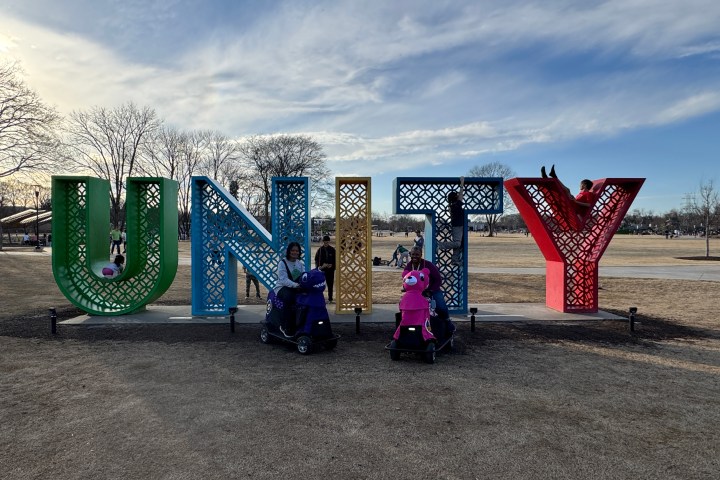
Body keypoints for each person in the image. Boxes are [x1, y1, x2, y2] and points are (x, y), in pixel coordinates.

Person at [402, 246, 452, 327]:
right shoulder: (408, 266)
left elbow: (438, 280)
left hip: (432, 290)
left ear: (421, 255)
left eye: (417, 255)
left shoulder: (428, 265)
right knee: (407, 306)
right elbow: (405, 279)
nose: (415, 256)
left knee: (440, 306)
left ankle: (447, 322)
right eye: (413, 254)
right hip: (415, 292)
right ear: (410, 254)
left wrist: (431, 290)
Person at [273, 242, 305, 337]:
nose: (295, 252)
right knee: (289, 297)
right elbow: (283, 280)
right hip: (282, 287)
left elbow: (304, 276)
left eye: (297, 251)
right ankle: (285, 325)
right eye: (293, 250)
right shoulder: (282, 263)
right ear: (289, 251)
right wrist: (296, 285)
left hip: (295, 286)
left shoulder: (300, 263)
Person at [438, 177, 465, 265]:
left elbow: (460, 196)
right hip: (457, 226)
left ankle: (455, 259)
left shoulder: (453, 205)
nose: (459, 196)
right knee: (457, 244)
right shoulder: (455, 205)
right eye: (457, 195)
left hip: (459, 225)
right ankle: (440, 245)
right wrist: (461, 184)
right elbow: (461, 196)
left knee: (460, 244)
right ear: (455, 197)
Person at [314, 235, 336, 303]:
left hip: (330, 270)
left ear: (329, 241)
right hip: (322, 271)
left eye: (327, 241)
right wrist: (320, 266)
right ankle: (320, 298)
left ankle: (330, 299)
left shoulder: (332, 250)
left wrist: (332, 266)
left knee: (330, 285)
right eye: (325, 241)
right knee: (321, 285)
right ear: (323, 241)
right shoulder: (320, 250)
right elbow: (316, 259)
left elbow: (335, 260)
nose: (326, 243)